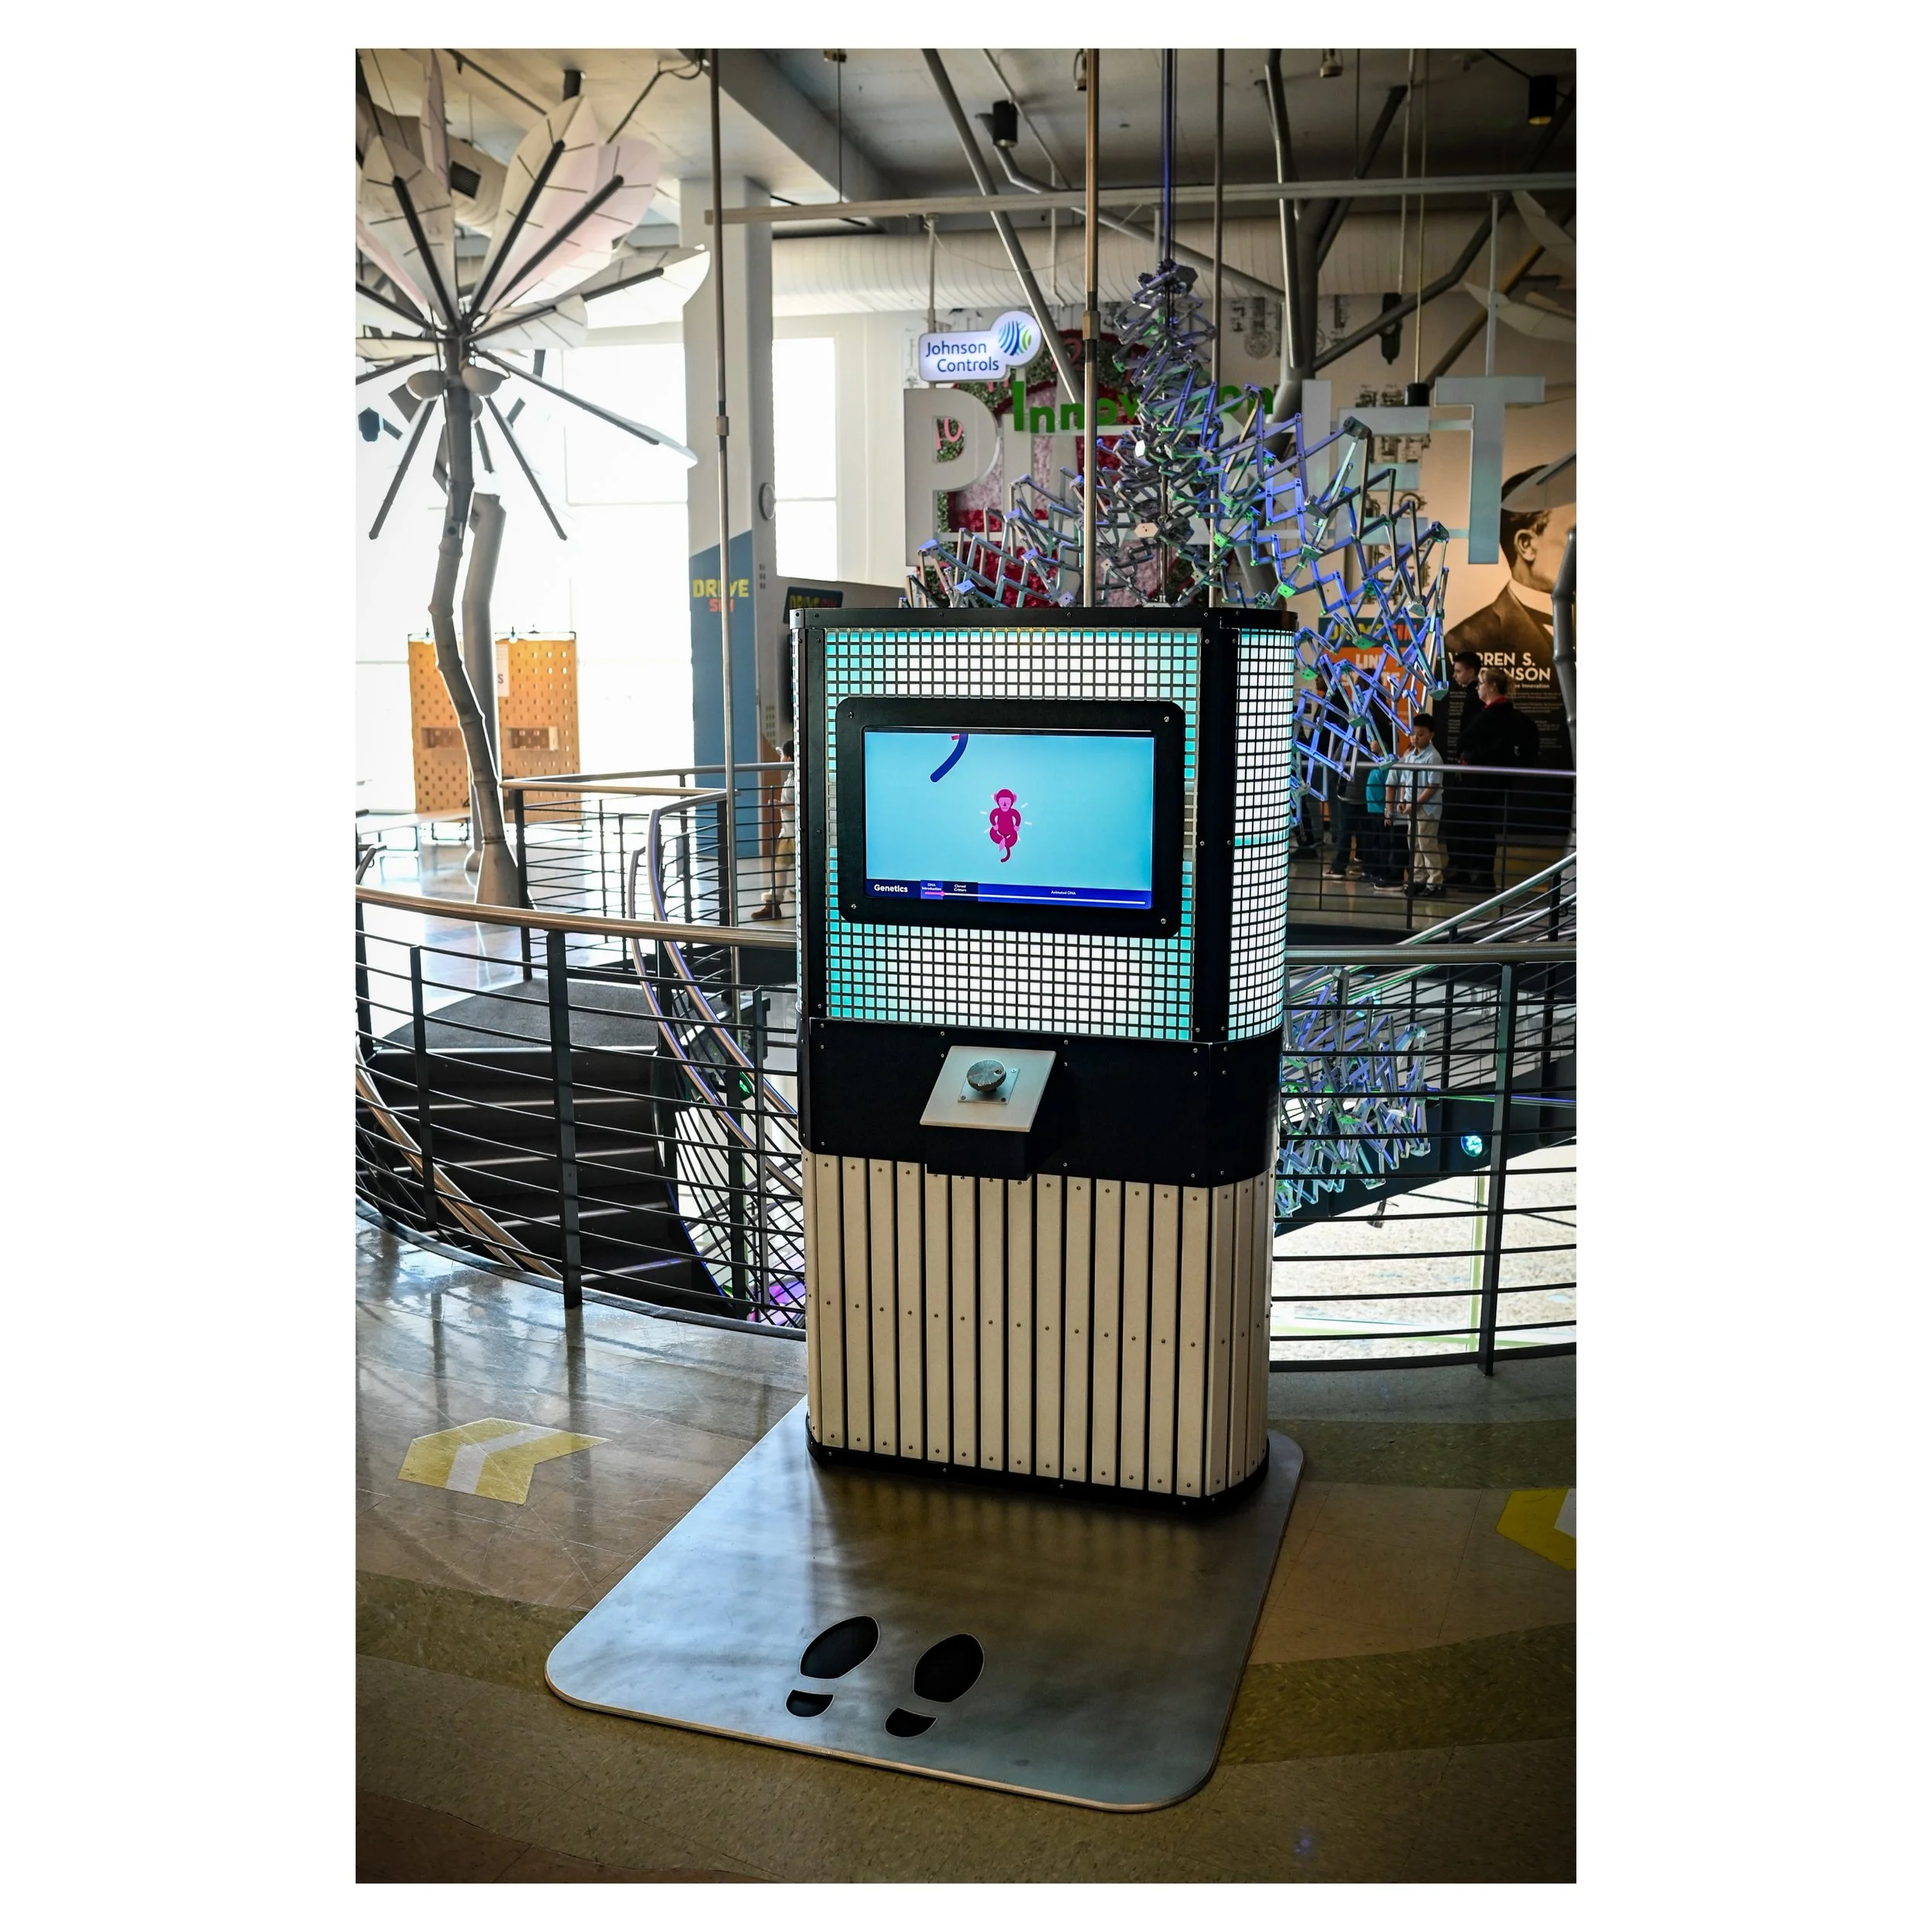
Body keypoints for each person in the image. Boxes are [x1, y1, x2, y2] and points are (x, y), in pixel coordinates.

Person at [1455, 669, 1540, 894]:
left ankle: (1484, 878)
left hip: (1484, 783)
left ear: (1492, 686)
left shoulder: (1496, 715)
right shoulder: (1498, 713)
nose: (1478, 688)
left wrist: (1472, 755)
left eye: (1481, 683)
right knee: (1481, 828)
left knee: (1482, 828)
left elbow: (1465, 740)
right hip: (1486, 781)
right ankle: (1482, 876)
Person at [1437, 649, 1485, 883]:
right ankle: (1463, 867)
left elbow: (1472, 733)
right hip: (1469, 768)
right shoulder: (1471, 696)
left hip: (1472, 771)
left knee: (1464, 820)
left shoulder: (1475, 698)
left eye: (1458, 671)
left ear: (1471, 671)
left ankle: (1463, 868)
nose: (1455, 676)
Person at [1390, 712, 1447, 896]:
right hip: (1411, 806)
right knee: (1414, 843)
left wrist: (1414, 803)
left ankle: (1436, 881)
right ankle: (1419, 877)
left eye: (1421, 734)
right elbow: (1405, 781)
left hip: (1427, 809)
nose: (1415, 738)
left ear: (1431, 734)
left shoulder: (1434, 757)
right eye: (1413, 734)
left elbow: (1433, 786)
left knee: (1427, 843)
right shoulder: (1410, 756)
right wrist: (1402, 800)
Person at [754, 742, 797, 920]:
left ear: (788, 758)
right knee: (779, 869)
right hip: (787, 832)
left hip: (797, 833)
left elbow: (804, 805)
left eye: (782, 756)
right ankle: (772, 906)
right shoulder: (791, 775)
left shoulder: (798, 778)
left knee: (785, 868)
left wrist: (782, 806)